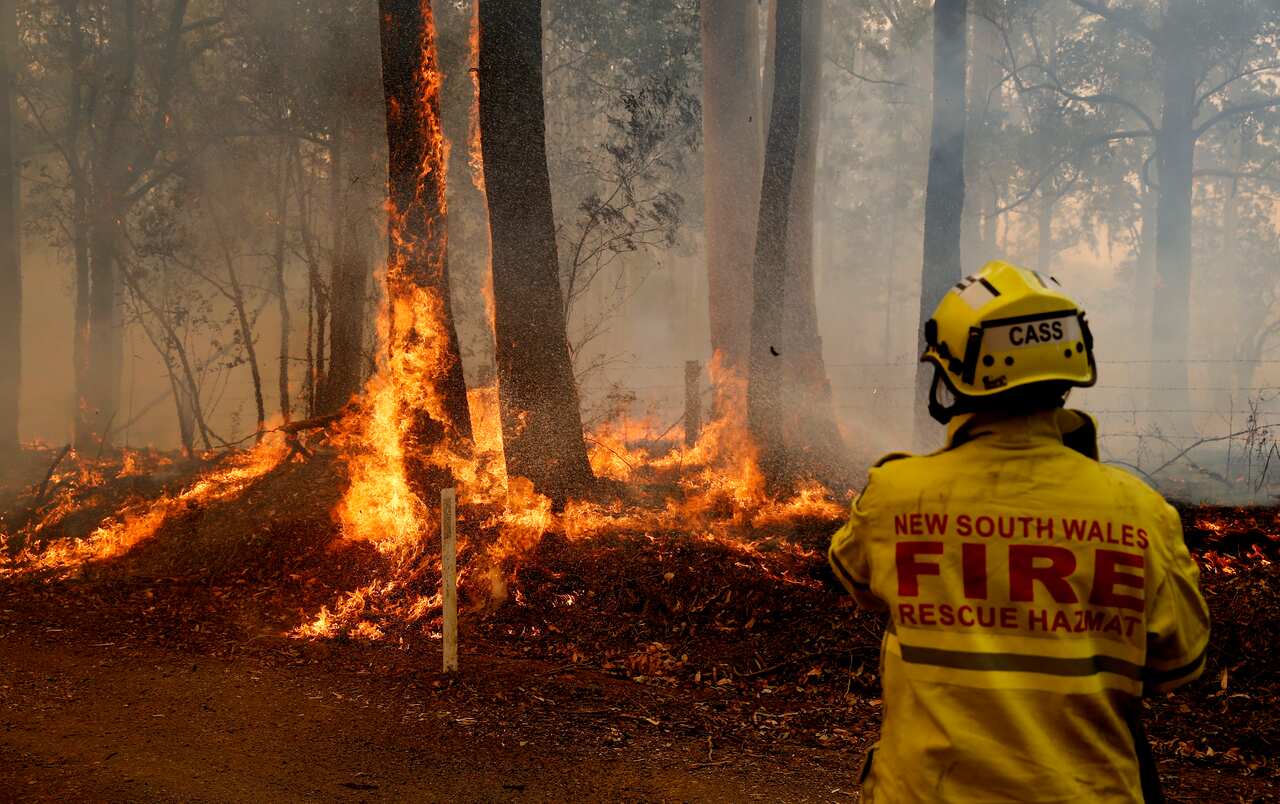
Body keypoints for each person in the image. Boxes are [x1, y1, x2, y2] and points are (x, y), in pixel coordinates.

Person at [829, 260, 1210, 803]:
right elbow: (1179, 662)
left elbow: (857, 580)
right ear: (1072, 367)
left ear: (953, 375)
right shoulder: (1141, 514)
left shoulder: (895, 495)